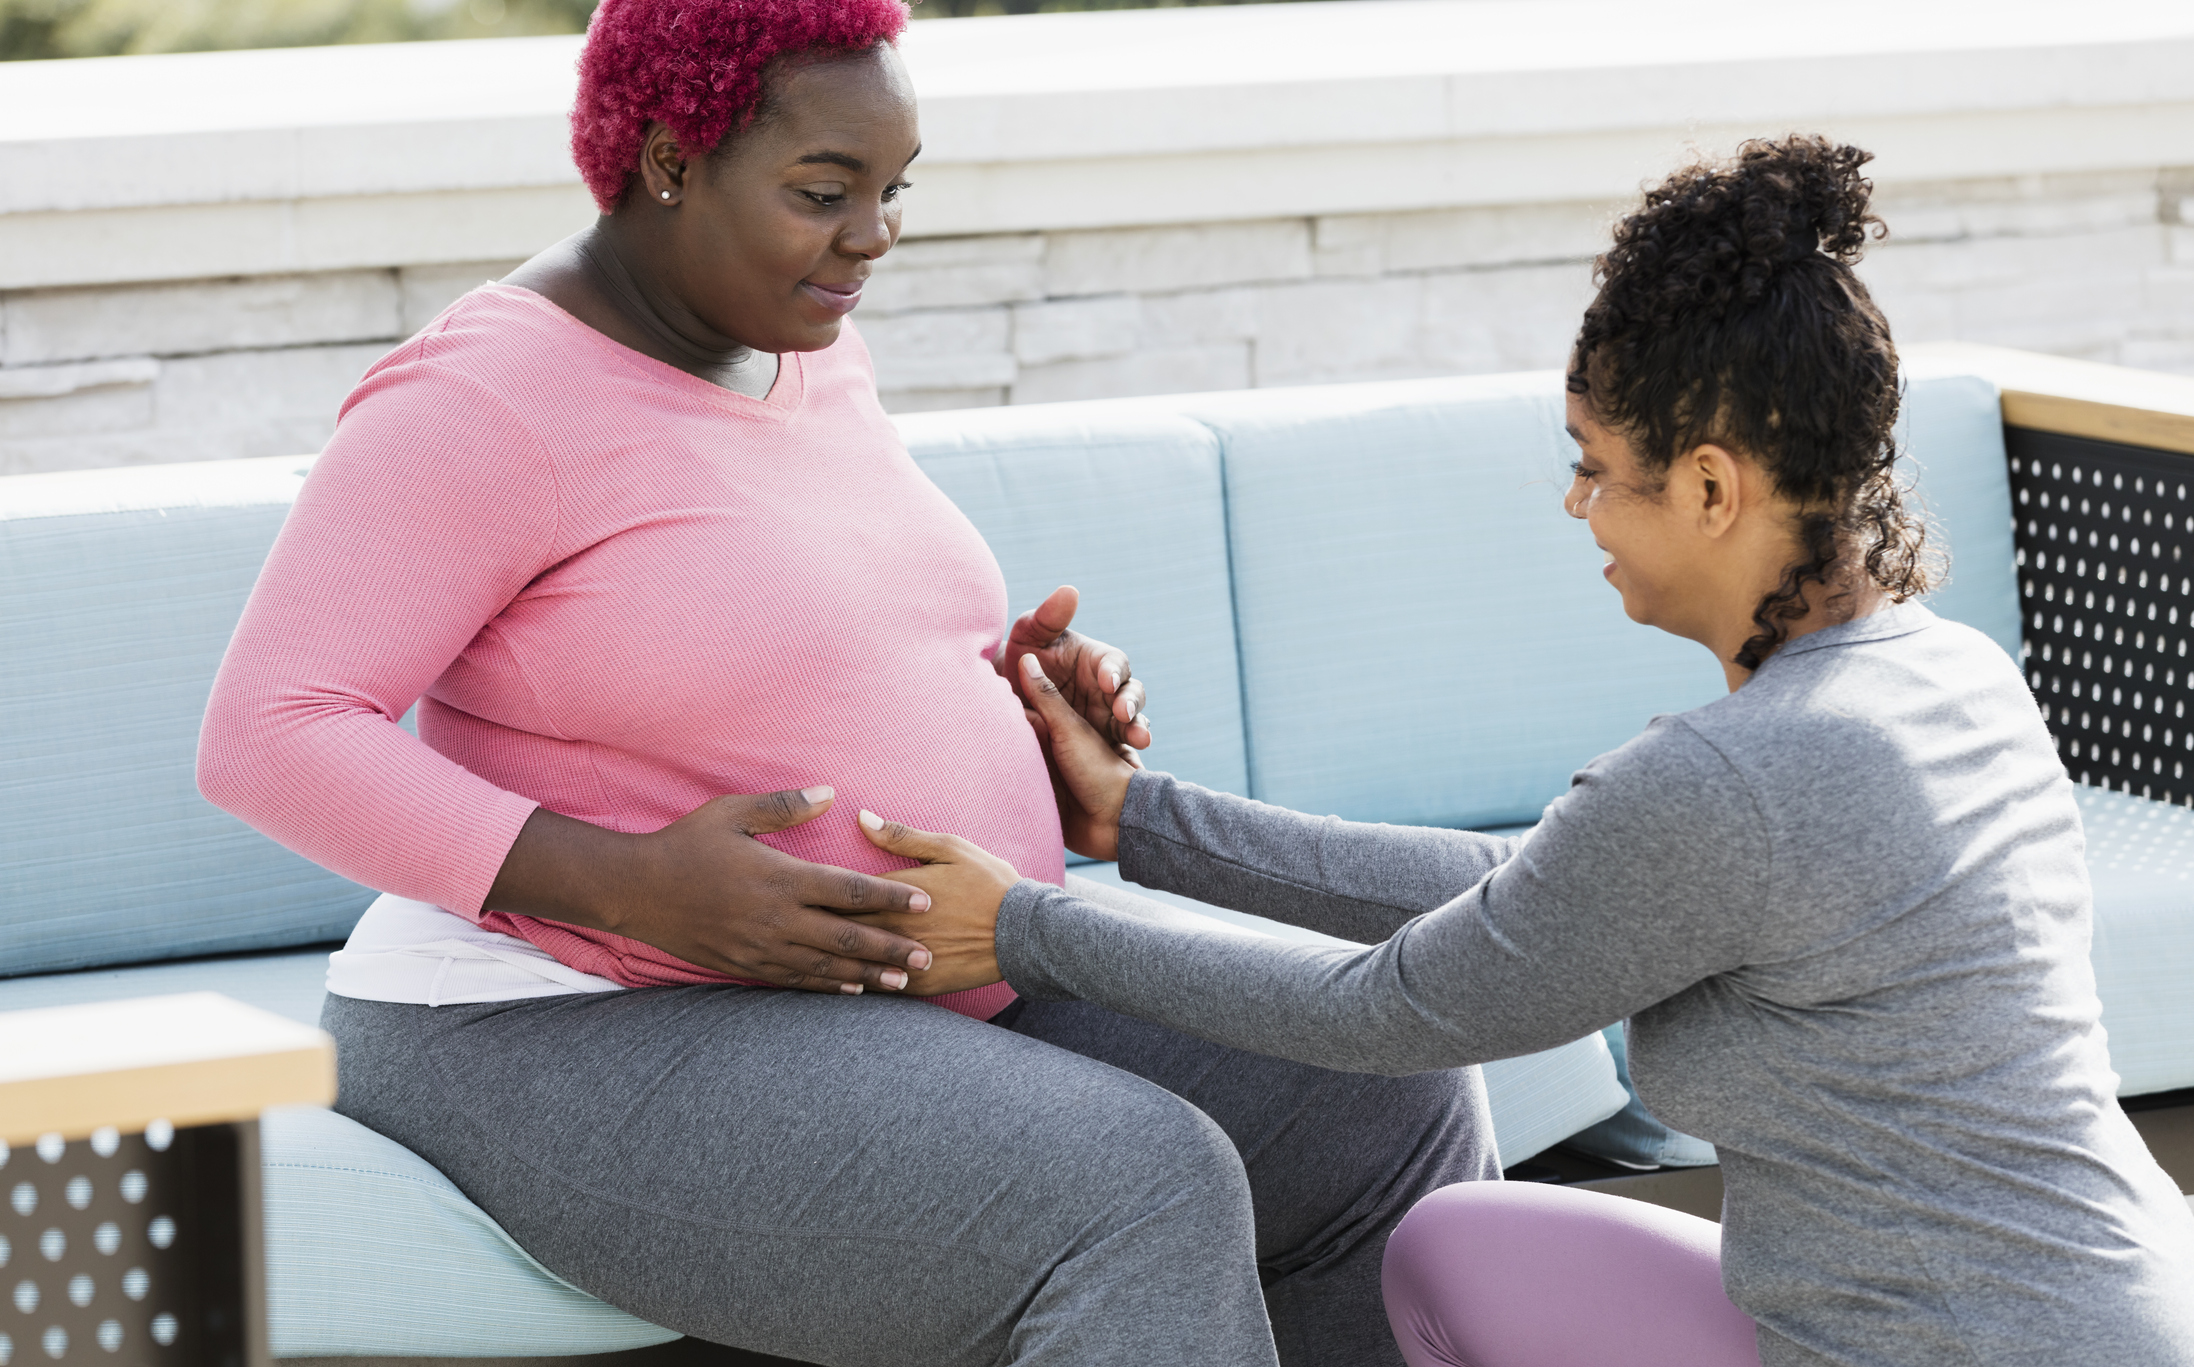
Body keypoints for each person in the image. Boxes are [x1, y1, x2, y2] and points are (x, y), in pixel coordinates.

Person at [197, 2, 1496, 1364]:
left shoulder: (793, 344)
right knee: (1130, 1178)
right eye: (824, 192)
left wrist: (1011, 705)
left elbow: (775, 638)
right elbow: (271, 734)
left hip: (911, 970)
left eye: (892, 189)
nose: (872, 235)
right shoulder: (488, 398)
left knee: (1378, 1091)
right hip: (565, 1016)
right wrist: (627, 884)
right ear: (665, 160)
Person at [846, 137, 2194, 1366]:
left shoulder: (1728, 779)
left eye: (1596, 468)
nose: (1576, 505)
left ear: (1713, 488)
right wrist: (1138, 823)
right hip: (2128, 1302)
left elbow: (1371, 1013)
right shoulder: (1953, 675)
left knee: (1441, 1254)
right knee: (1461, 1246)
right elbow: (1533, 887)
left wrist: (1022, 929)